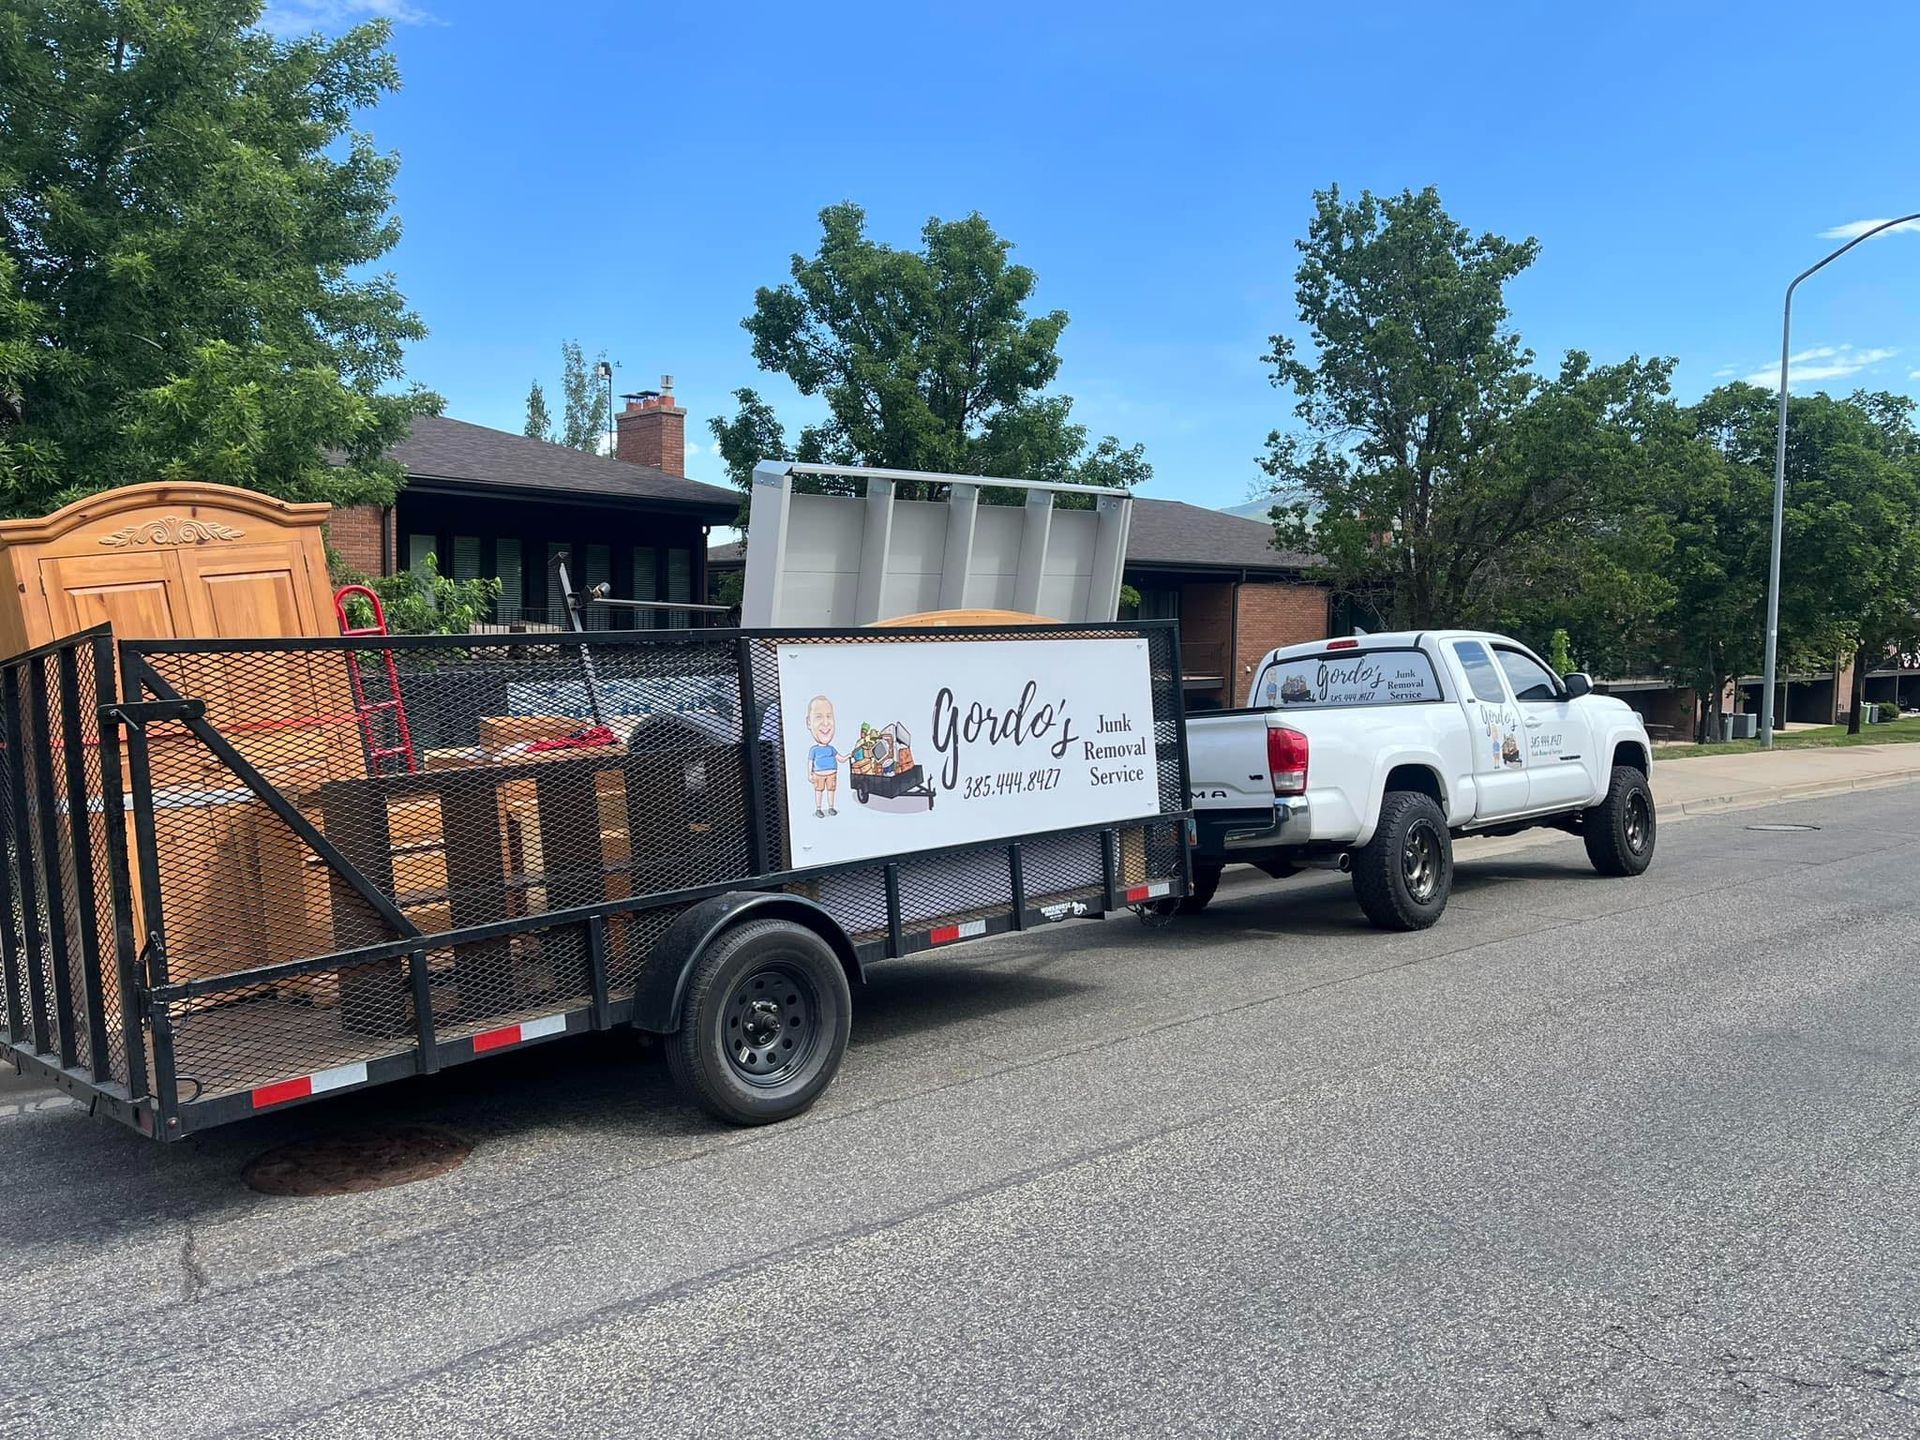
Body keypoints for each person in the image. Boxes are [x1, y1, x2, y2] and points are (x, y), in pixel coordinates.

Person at [805, 695, 842, 817]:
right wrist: (809, 774)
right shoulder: (814, 750)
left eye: (829, 716)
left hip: (832, 773)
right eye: (819, 717)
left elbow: (840, 758)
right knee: (818, 791)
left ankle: (831, 807)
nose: (826, 722)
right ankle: (819, 808)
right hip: (818, 774)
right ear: (809, 723)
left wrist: (848, 756)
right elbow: (810, 762)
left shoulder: (831, 749)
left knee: (831, 790)